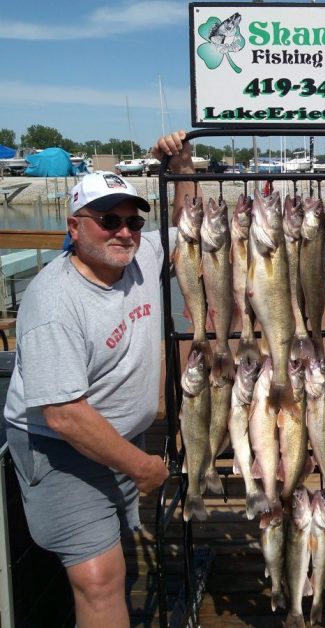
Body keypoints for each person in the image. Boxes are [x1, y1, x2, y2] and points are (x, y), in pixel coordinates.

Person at [2, 130, 195, 626]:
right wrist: (141, 466)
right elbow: (64, 416)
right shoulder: (54, 303)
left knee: (114, 558)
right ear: (75, 226)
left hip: (118, 440)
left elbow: (186, 229)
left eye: (133, 221)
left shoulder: (140, 258)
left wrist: (184, 168)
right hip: (60, 448)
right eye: (109, 220)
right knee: (99, 579)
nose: (124, 232)